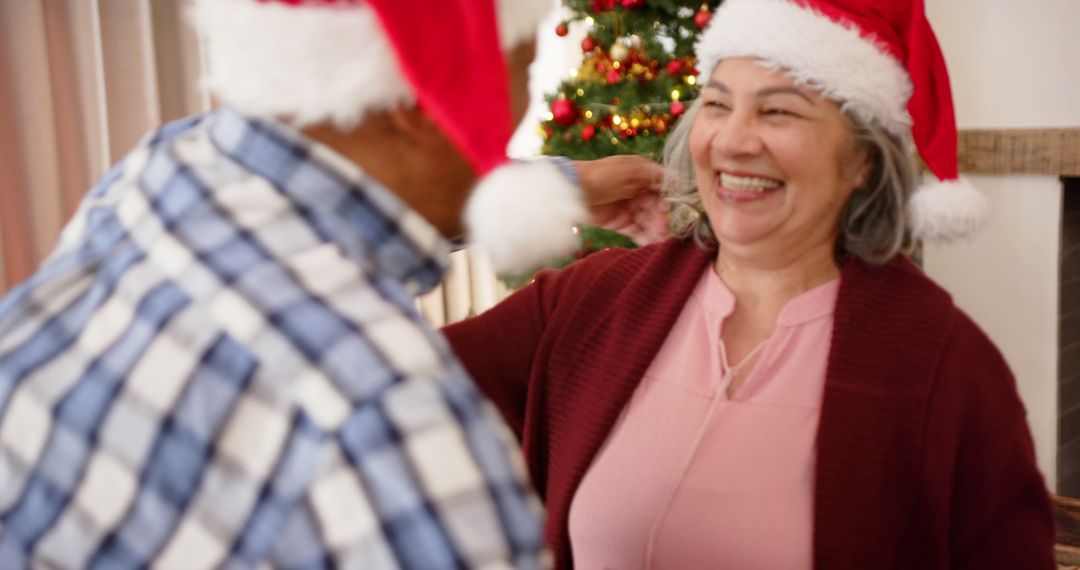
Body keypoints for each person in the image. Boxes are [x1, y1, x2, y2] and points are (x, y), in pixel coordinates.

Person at [0, 0, 662, 567]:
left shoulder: (160, 168)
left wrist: (564, 183)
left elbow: (332, 192)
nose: (522, 98)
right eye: (521, 69)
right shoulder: (384, 412)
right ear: (414, 104)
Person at [444, 0, 1057, 568]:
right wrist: (552, 189)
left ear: (863, 160)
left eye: (779, 110)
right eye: (715, 104)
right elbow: (366, 368)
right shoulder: (591, 301)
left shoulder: (948, 367)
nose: (733, 141)